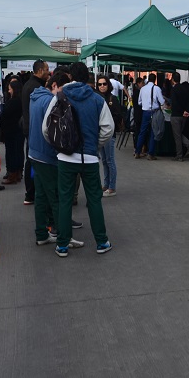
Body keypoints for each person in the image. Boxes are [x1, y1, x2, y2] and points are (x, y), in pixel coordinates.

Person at [42, 62, 114, 258]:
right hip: (89, 158)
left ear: (71, 76)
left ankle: (63, 245)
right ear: (88, 77)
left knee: (65, 200)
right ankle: (101, 241)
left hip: (65, 158)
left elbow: (46, 128)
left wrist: (60, 146)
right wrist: (94, 145)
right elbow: (108, 128)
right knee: (94, 200)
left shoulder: (59, 96)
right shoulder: (97, 99)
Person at [29, 71, 84, 248]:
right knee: (58, 198)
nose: (64, 93)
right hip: (47, 155)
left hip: (34, 152)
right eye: (62, 89)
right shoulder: (50, 101)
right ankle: (64, 237)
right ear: (54, 86)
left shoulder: (35, 97)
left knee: (41, 197)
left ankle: (42, 234)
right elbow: (52, 130)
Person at [21, 59, 50, 205]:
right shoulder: (35, 87)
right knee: (33, 161)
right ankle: (31, 193)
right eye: (46, 69)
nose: (48, 72)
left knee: (31, 160)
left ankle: (30, 193)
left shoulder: (29, 84)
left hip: (29, 127)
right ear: (39, 70)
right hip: (33, 129)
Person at [96, 74, 122, 197]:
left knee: (110, 160)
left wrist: (108, 122)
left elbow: (118, 116)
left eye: (104, 84)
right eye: (100, 84)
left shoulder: (113, 99)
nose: (102, 86)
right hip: (100, 133)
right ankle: (106, 184)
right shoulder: (96, 98)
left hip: (109, 134)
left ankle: (112, 187)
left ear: (108, 85)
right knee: (105, 161)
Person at [134, 72, 166, 160]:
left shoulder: (142, 89)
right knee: (153, 131)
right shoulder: (156, 88)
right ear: (155, 79)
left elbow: (139, 102)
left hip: (145, 112)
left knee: (142, 132)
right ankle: (150, 153)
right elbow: (162, 101)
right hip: (154, 112)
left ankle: (137, 151)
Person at [1, 78, 24, 184]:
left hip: (11, 131)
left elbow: (5, 114)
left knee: (11, 153)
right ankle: (18, 173)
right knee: (18, 152)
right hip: (18, 131)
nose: (8, 91)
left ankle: (12, 175)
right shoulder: (21, 100)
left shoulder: (13, 102)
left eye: (10, 89)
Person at [170, 72, 189, 161]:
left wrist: (181, 111)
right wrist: (186, 112)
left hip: (176, 115)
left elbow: (174, 104)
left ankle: (180, 154)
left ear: (173, 79)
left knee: (177, 136)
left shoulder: (174, 90)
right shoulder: (184, 89)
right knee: (180, 133)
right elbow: (188, 102)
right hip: (184, 116)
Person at [131, 76, 145, 151]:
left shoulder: (136, 91)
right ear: (138, 83)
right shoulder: (138, 92)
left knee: (138, 131)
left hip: (137, 114)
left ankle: (138, 147)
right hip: (139, 114)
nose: (143, 84)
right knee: (138, 131)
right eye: (142, 83)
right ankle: (137, 147)